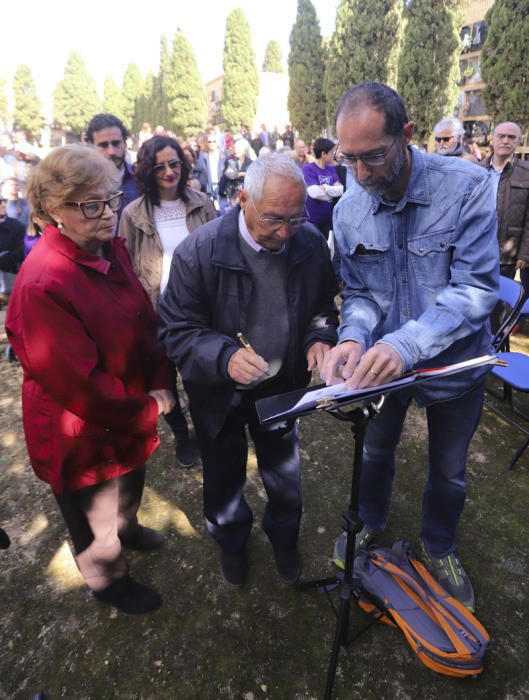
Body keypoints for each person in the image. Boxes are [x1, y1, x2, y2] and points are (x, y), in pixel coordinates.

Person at [321, 82, 499, 612]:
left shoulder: (467, 186)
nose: (362, 175)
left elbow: (475, 290)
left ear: (407, 135)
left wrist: (405, 344)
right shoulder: (350, 209)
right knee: (376, 450)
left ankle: (439, 545)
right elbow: (360, 292)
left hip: (454, 366)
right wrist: (353, 335)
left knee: (448, 469)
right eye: (348, 159)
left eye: (373, 156)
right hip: (384, 368)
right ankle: (370, 523)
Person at [5, 145, 175, 614]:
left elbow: (143, 320)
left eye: (111, 200)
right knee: (94, 510)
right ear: (54, 211)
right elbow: (80, 386)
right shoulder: (43, 282)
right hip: (82, 426)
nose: (108, 215)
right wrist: (149, 408)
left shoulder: (106, 248)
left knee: (129, 484)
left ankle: (128, 530)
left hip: (126, 406)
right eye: (92, 205)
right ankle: (109, 583)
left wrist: (160, 377)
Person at [158, 154, 339, 589]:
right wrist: (223, 357)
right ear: (242, 199)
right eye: (274, 219)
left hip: (282, 386)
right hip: (218, 393)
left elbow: (322, 306)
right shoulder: (198, 252)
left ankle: (283, 536)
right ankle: (232, 540)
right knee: (222, 474)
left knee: (284, 472)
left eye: (295, 220)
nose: (283, 233)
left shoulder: (308, 242)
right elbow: (175, 330)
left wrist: (320, 338)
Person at [119, 135, 217, 468]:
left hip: (199, 312)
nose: (169, 172)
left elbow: (219, 253)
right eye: (159, 166)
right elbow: (125, 267)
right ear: (148, 170)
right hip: (154, 313)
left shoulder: (202, 203)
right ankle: (180, 433)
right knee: (163, 380)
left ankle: (206, 431)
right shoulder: (133, 214)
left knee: (201, 379)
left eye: (174, 163)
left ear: (184, 163)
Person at [479, 121, 529, 286]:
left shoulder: (526, 173)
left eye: (511, 137)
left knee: (501, 302)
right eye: (501, 136)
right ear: (492, 140)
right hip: (476, 250)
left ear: (518, 141)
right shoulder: (476, 170)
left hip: (507, 255)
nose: (506, 141)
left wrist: (525, 254)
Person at [85, 113, 139, 220]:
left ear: (125, 143)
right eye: (103, 145)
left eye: (116, 143)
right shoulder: (81, 183)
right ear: (91, 146)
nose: (111, 152)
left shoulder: (140, 179)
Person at [303, 137, 343, 240]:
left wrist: (324, 187)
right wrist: (331, 191)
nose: (333, 155)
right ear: (323, 154)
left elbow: (340, 190)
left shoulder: (331, 168)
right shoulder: (308, 169)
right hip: (313, 220)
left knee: (328, 249)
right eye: (331, 152)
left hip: (328, 219)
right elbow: (314, 193)